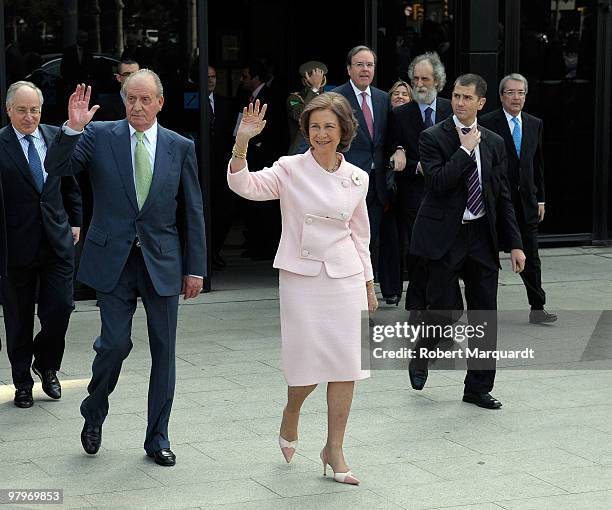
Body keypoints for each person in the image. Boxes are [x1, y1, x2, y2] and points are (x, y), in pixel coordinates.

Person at [44, 71, 207, 466]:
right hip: (113, 260)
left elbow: (193, 210)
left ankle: (158, 439)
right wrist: (70, 130)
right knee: (115, 344)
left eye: (145, 100)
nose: (137, 106)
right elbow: (57, 166)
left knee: (164, 351)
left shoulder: (180, 146)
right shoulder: (99, 135)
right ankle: (94, 410)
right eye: (131, 99)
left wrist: (196, 268)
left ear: (160, 103)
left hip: (162, 261)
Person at [227, 93, 377, 485]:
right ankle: (291, 412)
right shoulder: (290, 168)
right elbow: (245, 185)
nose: (321, 134)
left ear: (344, 130)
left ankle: (335, 449)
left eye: (329, 126)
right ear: (305, 131)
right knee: (305, 368)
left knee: (347, 366)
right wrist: (242, 141)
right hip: (301, 277)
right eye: (315, 127)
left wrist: (369, 285)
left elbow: (360, 237)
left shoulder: (358, 177)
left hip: (344, 277)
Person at [409, 74, 526, 409]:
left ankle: (477, 387)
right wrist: (464, 150)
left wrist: (515, 244)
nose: (459, 103)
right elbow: (438, 183)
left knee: (485, 314)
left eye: (466, 98)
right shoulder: (433, 137)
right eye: (456, 96)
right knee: (446, 312)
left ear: (481, 103)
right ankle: (422, 354)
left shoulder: (494, 141)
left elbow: (502, 195)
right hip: (445, 236)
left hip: (481, 237)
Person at [0, 81, 82, 409]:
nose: (29, 116)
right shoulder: (2, 143)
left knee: (61, 307)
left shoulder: (55, 136)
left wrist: (75, 220)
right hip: (16, 246)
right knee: (18, 318)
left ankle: (46, 365)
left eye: (34, 109)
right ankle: (22, 381)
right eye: (22, 110)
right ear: (9, 110)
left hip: (56, 241)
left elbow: (70, 182)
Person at [479, 73, 556, 324]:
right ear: (501, 96)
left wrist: (541, 199)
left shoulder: (534, 123)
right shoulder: (487, 122)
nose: (516, 97)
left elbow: (538, 165)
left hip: (526, 204)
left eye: (520, 92)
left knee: (531, 257)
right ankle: (483, 311)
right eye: (510, 92)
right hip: (496, 202)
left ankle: (537, 307)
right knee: (486, 258)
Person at [387, 52, 453, 312]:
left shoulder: (451, 110)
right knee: (416, 252)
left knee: (444, 255)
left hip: (446, 193)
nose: (420, 84)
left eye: (425, 78)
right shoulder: (401, 113)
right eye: (415, 79)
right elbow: (391, 148)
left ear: (438, 80)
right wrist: (407, 157)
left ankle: (441, 306)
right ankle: (417, 306)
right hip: (413, 195)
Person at [334, 45, 400, 257]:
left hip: (377, 182)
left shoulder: (382, 98)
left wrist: (399, 149)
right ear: (348, 69)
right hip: (347, 180)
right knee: (345, 239)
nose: (365, 69)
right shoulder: (337, 98)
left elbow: (390, 136)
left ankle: (365, 285)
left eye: (369, 65)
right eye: (359, 65)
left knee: (368, 241)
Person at [378, 80, 412, 305]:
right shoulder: (383, 118)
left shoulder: (414, 119)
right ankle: (391, 290)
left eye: (404, 94)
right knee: (389, 238)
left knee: (407, 240)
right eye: (396, 93)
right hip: (387, 188)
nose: (400, 97)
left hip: (409, 187)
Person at [208, 65, 237, 269]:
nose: (210, 80)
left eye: (213, 76)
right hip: (199, 164)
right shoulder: (189, 100)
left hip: (221, 164)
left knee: (223, 210)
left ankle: (215, 251)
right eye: (206, 76)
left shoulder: (225, 103)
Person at [286, 60, 328, 155]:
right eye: (313, 78)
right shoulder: (294, 98)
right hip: (302, 151)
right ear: (304, 80)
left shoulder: (329, 98)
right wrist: (314, 88)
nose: (317, 81)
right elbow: (300, 115)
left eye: (319, 78)